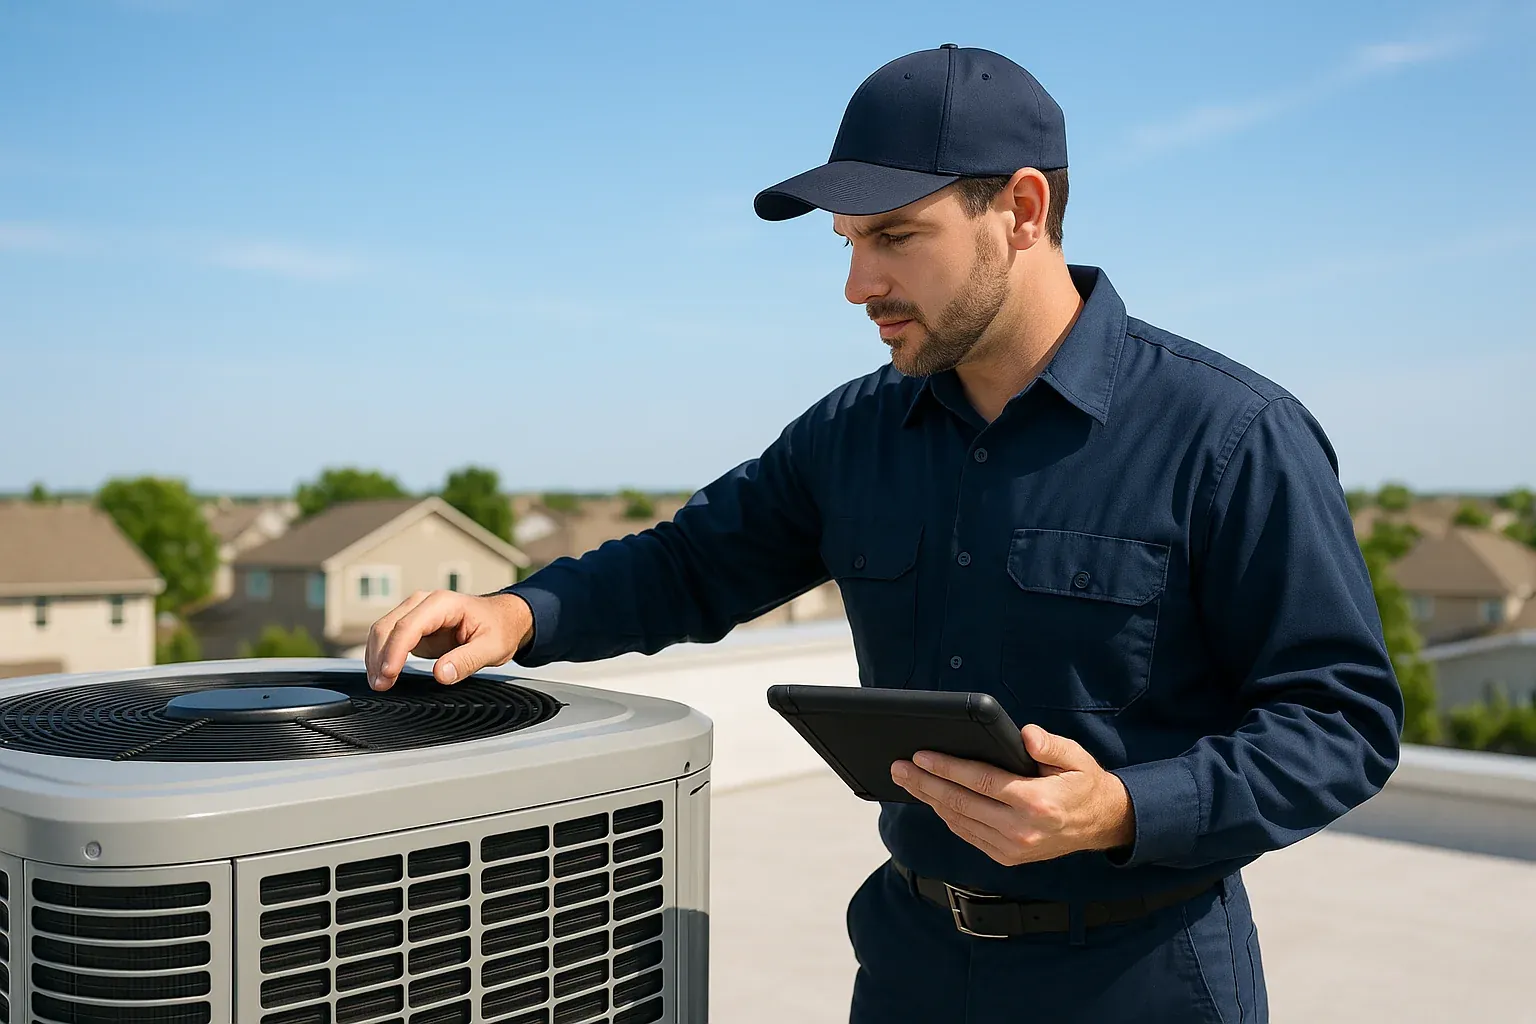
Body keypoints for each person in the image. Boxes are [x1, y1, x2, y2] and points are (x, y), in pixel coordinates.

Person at [365, 44, 1402, 1024]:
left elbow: (1340, 722)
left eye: (896, 236)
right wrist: (517, 611)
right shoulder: (851, 433)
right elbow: (691, 562)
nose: (859, 285)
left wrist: (1122, 807)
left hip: (1142, 979)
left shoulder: (1231, 435)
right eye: (851, 243)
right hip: (911, 966)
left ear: (1023, 209)